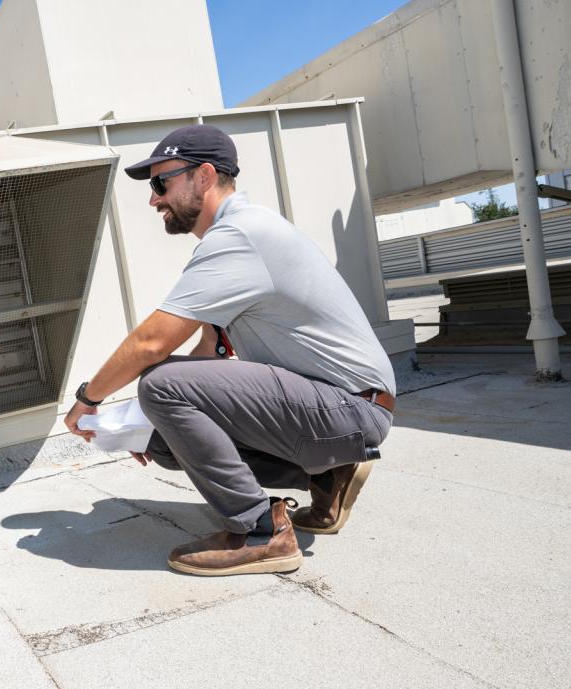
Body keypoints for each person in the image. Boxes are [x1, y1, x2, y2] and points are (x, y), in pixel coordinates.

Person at [64, 124, 395, 577]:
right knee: (160, 433)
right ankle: (327, 477)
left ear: (203, 176)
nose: (153, 198)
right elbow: (209, 358)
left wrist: (88, 401)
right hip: (343, 407)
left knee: (159, 383)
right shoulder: (237, 237)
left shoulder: (239, 236)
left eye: (161, 182)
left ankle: (261, 532)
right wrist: (137, 426)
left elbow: (152, 343)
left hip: (350, 407)